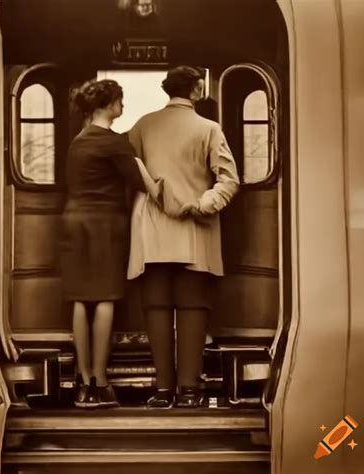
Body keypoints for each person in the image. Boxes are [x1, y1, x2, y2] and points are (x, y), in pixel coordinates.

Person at [128, 66, 240, 408]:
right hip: (195, 231)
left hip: (152, 230)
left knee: (157, 307)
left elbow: (128, 170)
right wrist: (205, 204)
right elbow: (229, 179)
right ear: (197, 89)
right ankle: (190, 389)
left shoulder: (143, 125)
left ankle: (163, 389)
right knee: (192, 307)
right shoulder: (209, 128)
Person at [62, 79, 161, 409]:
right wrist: (157, 185)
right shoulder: (114, 142)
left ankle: (82, 379)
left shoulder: (78, 141)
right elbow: (143, 183)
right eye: (120, 101)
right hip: (105, 224)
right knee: (105, 297)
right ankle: (100, 383)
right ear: (107, 105)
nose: (123, 107)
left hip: (75, 221)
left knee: (80, 298)